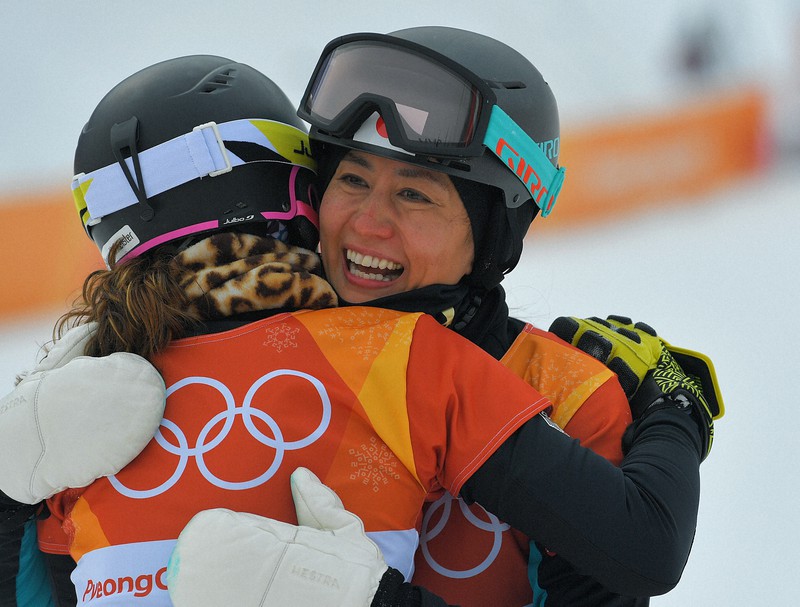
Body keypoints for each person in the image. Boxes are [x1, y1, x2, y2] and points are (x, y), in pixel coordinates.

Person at [0, 41, 719, 607]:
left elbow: (634, 555)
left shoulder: (563, 387)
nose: (368, 225)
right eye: (350, 180)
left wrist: (672, 397)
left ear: (495, 230)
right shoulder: (92, 393)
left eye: (416, 194)